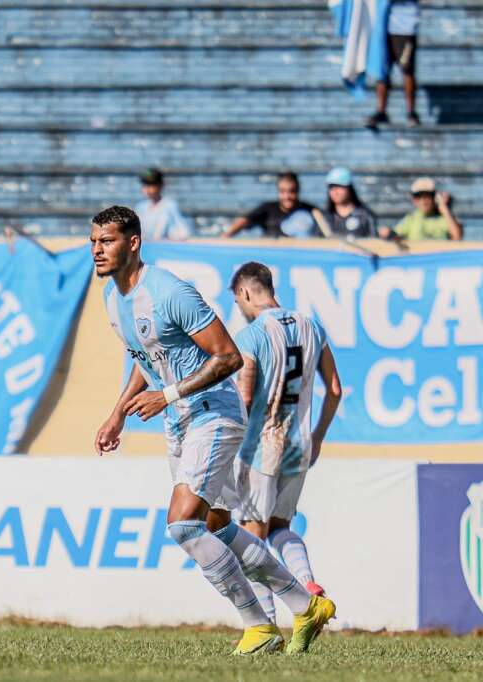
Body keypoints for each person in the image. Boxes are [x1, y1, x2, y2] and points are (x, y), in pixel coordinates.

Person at [91, 205, 335, 656]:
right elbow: (148, 357)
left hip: (214, 413)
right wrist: (118, 413)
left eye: (107, 241)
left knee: (183, 525)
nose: (97, 250)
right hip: (180, 421)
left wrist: (167, 395)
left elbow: (229, 357)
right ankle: (306, 606)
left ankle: (259, 626)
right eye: (93, 241)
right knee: (216, 528)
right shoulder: (113, 298)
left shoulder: (170, 292)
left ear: (133, 242)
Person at [229, 262, 343, 624]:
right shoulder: (312, 326)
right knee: (280, 528)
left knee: (251, 537)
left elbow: (246, 398)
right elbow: (335, 389)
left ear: (245, 292)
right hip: (299, 443)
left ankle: (265, 624)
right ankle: (307, 583)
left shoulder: (251, 336)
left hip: (262, 446)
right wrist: (318, 436)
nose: (241, 309)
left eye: (238, 302)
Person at [366, 0, 420, 129]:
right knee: (382, 69)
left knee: (407, 69)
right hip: (383, 25)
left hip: (405, 26)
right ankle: (381, 111)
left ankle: (411, 113)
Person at [225, 173, 319, 239]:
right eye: (282, 191)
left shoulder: (311, 211)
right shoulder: (268, 209)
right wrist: (224, 238)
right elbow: (244, 221)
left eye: (291, 191)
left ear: (298, 190)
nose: (287, 196)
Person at [379, 177, 463, 242]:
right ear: (413, 200)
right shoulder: (411, 219)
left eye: (427, 196)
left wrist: (443, 208)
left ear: (434, 198)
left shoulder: (444, 219)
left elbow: (457, 237)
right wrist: (388, 233)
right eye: (418, 197)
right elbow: (396, 238)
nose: (423, 202)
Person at [313, 168, 378, 238]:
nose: (335, 191)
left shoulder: (365, 216)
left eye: (339, 186)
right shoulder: (324, 218)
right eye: (331, 187)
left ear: (349, 188)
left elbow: (373, 241)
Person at [133, 168, 192, 241]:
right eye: (145, 184)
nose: (147, 188)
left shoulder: (169, 206)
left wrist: (168, 239)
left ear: (160, 185)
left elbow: (184, 233)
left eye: (151, 184)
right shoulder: (140, 207)